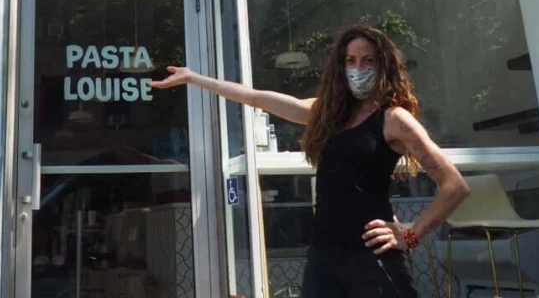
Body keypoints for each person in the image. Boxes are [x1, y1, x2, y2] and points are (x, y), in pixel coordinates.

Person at [151, 23, 470, 297]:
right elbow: (256, 97)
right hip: (323, 256)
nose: (358, 68)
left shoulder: (394, 120)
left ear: (383, 65)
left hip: (372, 255)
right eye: (350, 60)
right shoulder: (327, 113)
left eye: (368, 60)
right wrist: (195, 79)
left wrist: (411, 235)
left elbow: (454, 186)